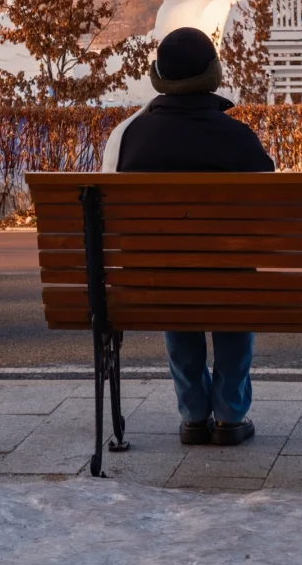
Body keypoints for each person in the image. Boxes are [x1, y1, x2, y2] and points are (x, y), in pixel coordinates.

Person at [101, 26, 274, 446]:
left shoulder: (129, 139)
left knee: (172, 282)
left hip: (161, 283)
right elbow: (269, 216)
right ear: (212, 74)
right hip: (230, 280)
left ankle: (195, 414)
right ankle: (231, 415)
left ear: (159, 76)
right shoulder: (238, 139)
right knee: (233, 288)